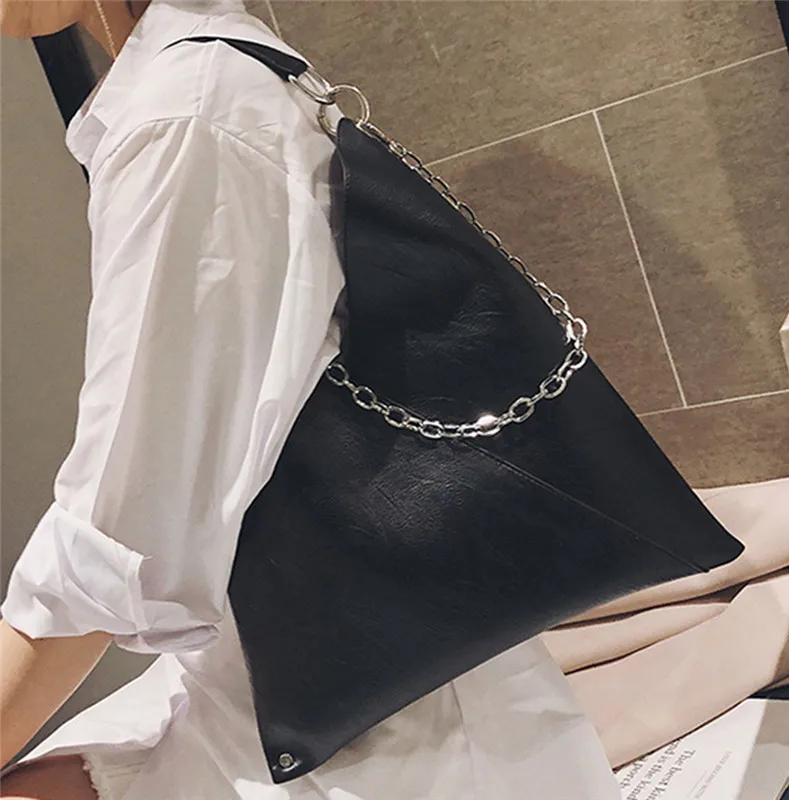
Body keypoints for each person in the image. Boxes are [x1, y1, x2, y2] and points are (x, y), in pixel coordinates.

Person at [0, 1, 625, 798]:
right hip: (322, 688)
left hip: (375, 742)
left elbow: (121, 544)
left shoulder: (183, 116)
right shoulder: (214, 72)